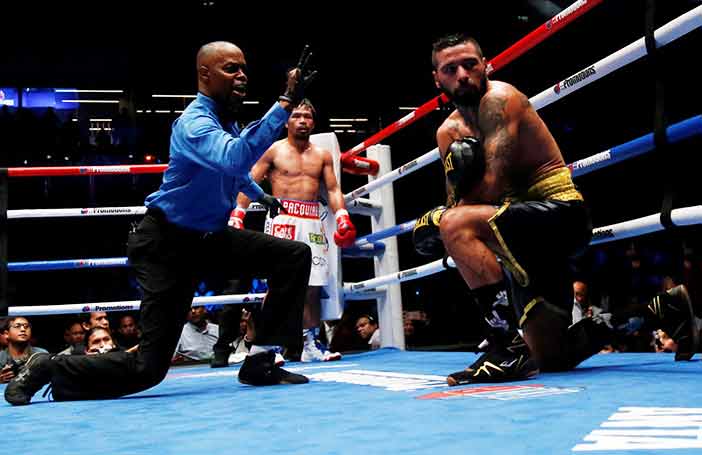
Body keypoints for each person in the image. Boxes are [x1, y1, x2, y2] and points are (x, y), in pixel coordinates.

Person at [5, 41, 317, 406]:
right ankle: (50, 368)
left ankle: (262, 361)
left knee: (292, 255)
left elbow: (228, 174)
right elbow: (232, 158)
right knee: (148, 369)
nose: (242, 75)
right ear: (204, 74)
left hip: (207, 238)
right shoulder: (194, 123)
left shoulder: (225, 119)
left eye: (244, 68)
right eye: (231, 69)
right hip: (165, 246)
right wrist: (284, 102)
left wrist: (259, 195)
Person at [413, 33, 699, 386]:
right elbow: (460, 201)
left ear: (486, 65)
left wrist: (441, 216)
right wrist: (447, 212)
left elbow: (489, 189)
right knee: (553, 355)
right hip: (515, 229)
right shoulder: (447, 132)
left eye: (470, 64)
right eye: (450, 69)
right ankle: (660, 309)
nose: (462, 74)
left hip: (558, 215)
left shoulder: (501, 100)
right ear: (437, 79)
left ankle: (506, 346)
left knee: (454, 224)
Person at [227, 98, 355, 362]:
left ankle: (309, 345)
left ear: (313, 122)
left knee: (313, 287)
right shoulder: (274, 150)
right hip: (281, 220)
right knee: (277, 286)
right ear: (287, 121)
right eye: (297, 116)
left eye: (307, 116)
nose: (302, 121)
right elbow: (249, 181)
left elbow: (332, 189)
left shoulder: (322, 155)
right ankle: (268, 347)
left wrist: (342, 216)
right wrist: (238, 213)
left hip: (312, 222)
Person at [0, 317, 48, 384]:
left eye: (26, 326)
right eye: (17, 326)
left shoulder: (41, 354)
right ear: (6, 334)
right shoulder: (1, 357)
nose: (23, 329)